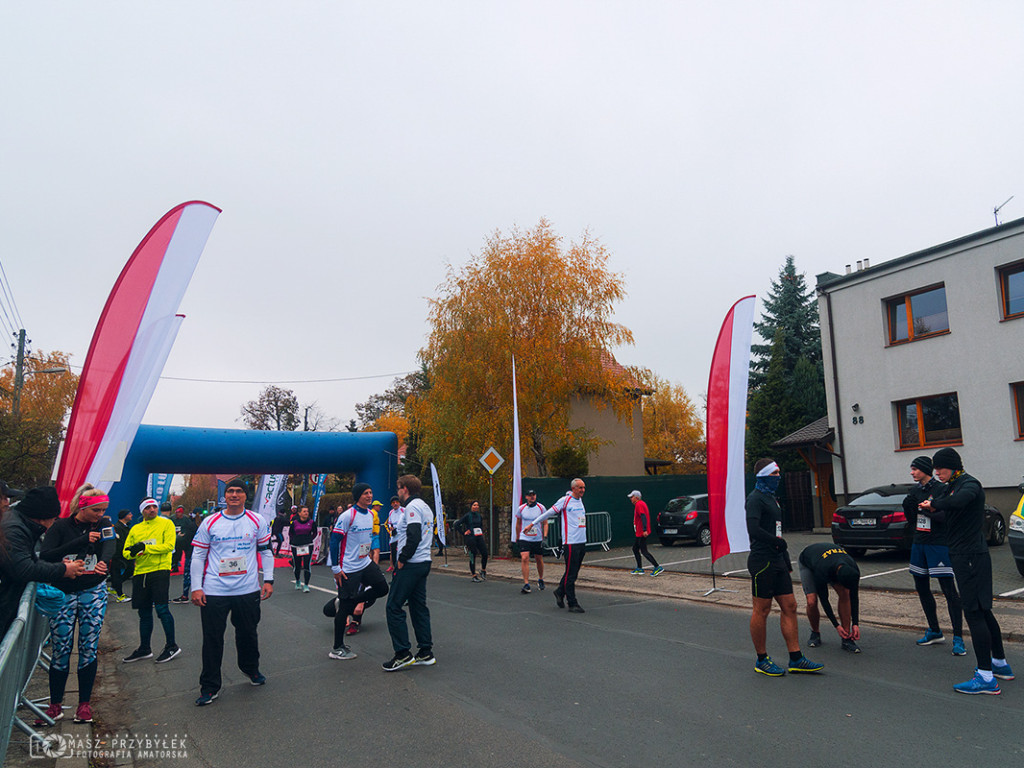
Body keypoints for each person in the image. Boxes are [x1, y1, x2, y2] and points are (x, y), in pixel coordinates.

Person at [919, 447, 1014, 695]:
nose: (937, 472)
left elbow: (957, 501)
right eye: (935, 468)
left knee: (973, 611)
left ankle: (985, 677)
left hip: (970, 556)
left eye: (941, 468)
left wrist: (936, 503)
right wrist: (930, 507)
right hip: (967, 554)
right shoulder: (952, 484)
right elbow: (947, 509)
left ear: (954, 466)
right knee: (984, 610)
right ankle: (1000, 664)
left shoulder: (969, 484)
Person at [189, 478, 274, 706]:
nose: (234, 495)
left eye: (239, 491)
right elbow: (198, 556)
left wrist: (269, 580)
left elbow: (266, 552)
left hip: (247, 589)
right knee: (212, 639)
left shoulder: (257, 521)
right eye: (230, 492)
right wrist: (196, 587)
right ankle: (209, 687)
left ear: (246, 496)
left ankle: (251, 669)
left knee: (248, 633)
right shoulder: (210, 522)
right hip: (215, 590)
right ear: (224, 496)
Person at [38, 484, 118, 724]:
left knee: (88, 647)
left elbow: (110, 545)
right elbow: (47, 555)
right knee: (61, 649)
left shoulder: (104, 525)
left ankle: (84, 705)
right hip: (64, 593)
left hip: (92, 590)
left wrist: (103, 562)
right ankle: (55, 705)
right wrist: (81, 541)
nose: (101, 514)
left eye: (104, 509)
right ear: (83, 508)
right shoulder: (61, 526)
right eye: (96, 510)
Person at [745, 459, 823, 676]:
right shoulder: (755, 499)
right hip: (762, 561)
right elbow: (753, 528)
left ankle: (796, 658)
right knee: (762, 610)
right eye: (775, 473)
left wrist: (785, 556)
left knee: (789, 605)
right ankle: (762, 659)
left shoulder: (772, 498)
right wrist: (774, 542)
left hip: (778, 559)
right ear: (763, 475)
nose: (778, 476)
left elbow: (777, 532)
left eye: (779, 472)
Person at [0, 486, 86, 637]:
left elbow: (30, 560)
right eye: (4, 498)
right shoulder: (14, 529)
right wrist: (63, 570)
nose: (7, 503)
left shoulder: (21, 525)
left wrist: (61, 567)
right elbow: (23, 569)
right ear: (43, 517)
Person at [902, 455, 965, 654]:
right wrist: (909, 507)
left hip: (938, 544)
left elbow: (945, 517)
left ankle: (958, 637)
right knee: (921, 586)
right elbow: (912, 520)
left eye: (915, 469)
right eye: (911, 469)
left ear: (924, 470)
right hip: (919, 542)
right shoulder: (914, 490)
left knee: (948, 589)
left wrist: (927, 510)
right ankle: (935, 630)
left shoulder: (942, 489)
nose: (912, 472)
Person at [327, 483, 389, 659]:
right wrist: (336, 568)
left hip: (365, 563)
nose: (369, 496)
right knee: (345, 609)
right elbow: (334, 541)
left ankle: (353, 599)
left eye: (370, 492)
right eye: (365, 493)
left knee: (383, 588)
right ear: (358, 496)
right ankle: (337, 648)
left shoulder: (370, 514)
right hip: (348, 567)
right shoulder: (348, 516)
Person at [383, 474, 435, 671]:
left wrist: (402, 559)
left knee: (393, 606)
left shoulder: (411, 507)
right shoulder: (425, 505)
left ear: (404, 489)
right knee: (418, 606)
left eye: (398, 488)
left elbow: (413, 535)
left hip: (412, 563)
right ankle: (425, 651)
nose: (397, 492)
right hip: (423, 562)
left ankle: (403, 653)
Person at [122, 498, 179, 664]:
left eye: (154, 506)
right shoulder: (136, 528)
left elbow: (169, 546)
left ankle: (171, 645)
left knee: (162, 609)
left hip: (160, 570)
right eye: (148, 507)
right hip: (141, 573)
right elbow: (126, 552)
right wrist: (134, 552)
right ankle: (145, 648)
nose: (152, 509)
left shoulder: (166, 524)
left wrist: (145, 548)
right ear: (142, 511)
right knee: (144, 612)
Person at [523, 478, 588, 613]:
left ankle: (559, 591)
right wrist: (532, 524)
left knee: (574, 572)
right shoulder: (565, 500)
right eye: (580, 487)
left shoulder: (580, 500)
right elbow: (548, 513)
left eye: (583, 488)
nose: (582, 490)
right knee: (570, 573)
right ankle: (572, 602)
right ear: (573, 488)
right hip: (570, 542)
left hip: (581, 541)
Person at [798, 542, 861, 653]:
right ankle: (815, 633)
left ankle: (846, 638)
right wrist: (836, 626)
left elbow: (854, 597)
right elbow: (824, 599)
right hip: (809, 560)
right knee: (811, 601)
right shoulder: (822, 570)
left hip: (833, 560)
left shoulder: (853, 569)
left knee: (845, 594)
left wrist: (855, 624)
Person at [513, 490, 547, 593]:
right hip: (525, 537)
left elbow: (545, 523)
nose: (532, 497)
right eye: (530, 495)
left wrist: (545, 537)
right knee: (525, 558)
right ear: (526, 497)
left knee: (538, 559)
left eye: (534, 495)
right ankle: (526, 583)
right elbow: (518, 523)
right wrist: (518, 537)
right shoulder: (521, 508)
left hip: (537, 538)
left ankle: (540, 579)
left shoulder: (541, 508)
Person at [628, 490, 664, 576]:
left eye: (632, 497)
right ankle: (639, 568)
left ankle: (657, 567)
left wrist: (644, 530)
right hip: (640, 532)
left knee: (644, 551)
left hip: (641, 532)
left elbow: (643, 516)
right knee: (635, 549)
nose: (630, 499)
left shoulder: (639, 504)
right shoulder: (640, 504)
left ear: (636, 497)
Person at [171, 506, 199, 603]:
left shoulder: (190, 525)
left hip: (191, 552)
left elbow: (186, 539)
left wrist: (180, 539)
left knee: (188, 574)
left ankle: (185, 595)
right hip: (200, 553)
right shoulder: (205, 524)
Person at [456, 501, 488, 582]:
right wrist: (464, 532)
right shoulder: (467, 515)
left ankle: (483, 570)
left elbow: (480, 525)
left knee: (485, 553)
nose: (476, 507)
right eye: (474, 505)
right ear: (471, 506)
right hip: (470, 538)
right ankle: (474, 575)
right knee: (473, 555)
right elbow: (457, 524)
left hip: (479, 537)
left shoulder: (479, 516)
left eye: (477, 505)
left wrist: (481, 531)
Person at [289, 506, 316, 592]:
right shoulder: (294, 522)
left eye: (307, 511)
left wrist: (308, 539)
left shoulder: (311, 522)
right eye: (304, 511)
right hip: (296, 546)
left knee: (307, 565)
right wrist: (295, 541)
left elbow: (315, 533)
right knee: (297, 565)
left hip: (307, 546)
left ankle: (306, 585)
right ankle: (297, 581)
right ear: (299, 513)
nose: (306, 513)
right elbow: (291, 533)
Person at [109, 509, 134, 603]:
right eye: (129, 514)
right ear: (124, 516)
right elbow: (120, 542)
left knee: (129, 570)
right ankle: (119, 594)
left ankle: (114, 587)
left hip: (126, 554)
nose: (131, 515)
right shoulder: (117, 527)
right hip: (118, 555)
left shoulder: (126, 526)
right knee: (116, 573)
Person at [386, 496, 402, 574]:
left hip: (402, 536)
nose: (395, 504)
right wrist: (391, 528)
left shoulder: (403, 510)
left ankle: (401, 573)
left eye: (397, 502)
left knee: (401, 555)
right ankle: (396, 574)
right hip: (394, 536)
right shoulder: (391, 512)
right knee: (394, 554)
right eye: (393, 503)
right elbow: (389, 523)